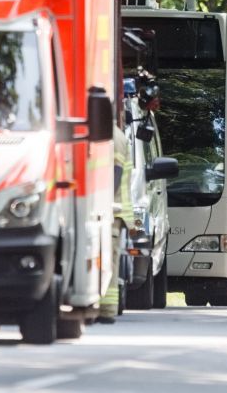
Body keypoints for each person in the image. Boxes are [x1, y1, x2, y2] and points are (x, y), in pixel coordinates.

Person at [97, 125, 133, 324]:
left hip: (112, 211)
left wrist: (100, 205)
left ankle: (106, 310)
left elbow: (115, 175)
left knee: (107, 259)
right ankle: (103, 308)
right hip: (110, 210)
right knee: (106, 258)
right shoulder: (110, 134)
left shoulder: (114, 136)